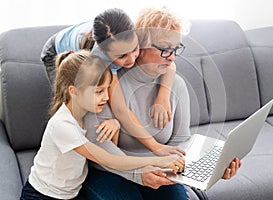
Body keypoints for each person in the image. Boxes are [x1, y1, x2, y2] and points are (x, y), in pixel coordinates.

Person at [82, 7, 242, 200]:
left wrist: (214, 169)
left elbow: (180, 142)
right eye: (165, 50)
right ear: (139, 45)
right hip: (109, 171)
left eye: (175, 49)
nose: (172, 57)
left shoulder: (176, 85)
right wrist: (138, 173)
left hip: (158, 169)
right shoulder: (105, 81)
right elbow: (99, 149)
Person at [20, 50, 185, 200]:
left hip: (70, 194)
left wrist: (116, 123)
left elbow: (110, 144)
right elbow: (109, 160)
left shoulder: (86, 116)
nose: (106, 97)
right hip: (43, 195)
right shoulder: (62, 126)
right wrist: (159, 161)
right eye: (99, 92)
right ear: (74, 91)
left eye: (107, 89)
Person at [41, 8, 184, 157]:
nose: (131, 60)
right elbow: (120, 109)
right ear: (104, 52)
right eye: (122, 56)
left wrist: (163, 96)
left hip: (91, 34)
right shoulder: (99, 59)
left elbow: (169, 64)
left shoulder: (130, 38)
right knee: (78, 107)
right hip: (55, 51)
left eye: (135, 49)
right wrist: (156, 147)